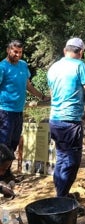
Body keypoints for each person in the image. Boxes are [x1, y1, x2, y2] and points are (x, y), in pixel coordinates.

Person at [47, 37, 85, 213]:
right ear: (80, 52)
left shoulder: (53, 67)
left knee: (61, 158)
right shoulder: (79, 65)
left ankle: (62, 193)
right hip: (70, 120)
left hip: (55, 119)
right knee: (72, 161)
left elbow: (53, 94)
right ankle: (61, 201)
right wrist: (83, 100)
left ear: (64, 49)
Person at [0, 40, 50, 181]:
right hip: (4, 111)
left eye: (20, 52)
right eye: (15, 51)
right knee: (3, 145)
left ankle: (7, 173)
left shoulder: (23, 65)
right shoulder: (2, 67)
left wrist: (42, 96)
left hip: (18, 110)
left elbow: (28, 85)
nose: (18, 55)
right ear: (8, 50)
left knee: (14, 143)